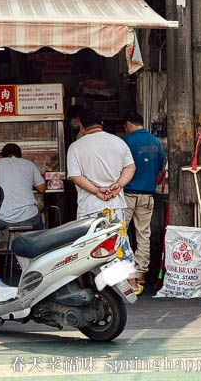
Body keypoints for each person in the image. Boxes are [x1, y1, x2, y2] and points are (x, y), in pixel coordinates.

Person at [66, 109, 141, 292]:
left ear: (81, 126)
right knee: (120, 244)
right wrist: (118, 184)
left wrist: (96, 190)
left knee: (91, 247)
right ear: (102, 124)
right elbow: (130, 166)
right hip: (115, 205)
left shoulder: (76, 146)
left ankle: (99, 286)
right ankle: (130, 284)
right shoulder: (118, 142)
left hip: (89, 208)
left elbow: (75, 176)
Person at [123, 111, 166, 286]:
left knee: (120, 233)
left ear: (128, 124)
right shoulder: (156, 142)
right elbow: (161, 167)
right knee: (143, 234)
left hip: (127, 195)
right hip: (147, 195)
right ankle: (140, 273)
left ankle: (126, 272)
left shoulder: (126, 141)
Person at [0, 143, 46, 232]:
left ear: (1, 155)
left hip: (3, 219)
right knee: (39, 234)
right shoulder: (29, 164)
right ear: (20, 155)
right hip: (29, 217)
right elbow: (42, 188)